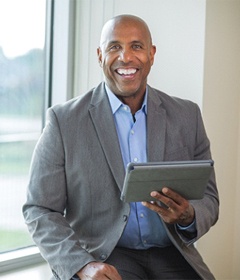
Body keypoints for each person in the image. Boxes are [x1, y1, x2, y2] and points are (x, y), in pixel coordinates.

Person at [23, 14, 219, 280]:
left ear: (151, 54)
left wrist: (187, 216)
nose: (126, 57)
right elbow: (39, 209)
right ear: (99, 55)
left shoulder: (187, 115)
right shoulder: (63, 121)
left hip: (173, 253)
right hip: (102, 255)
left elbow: (209, 198)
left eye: (136, 46)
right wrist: (82, 265)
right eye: (114, 47)